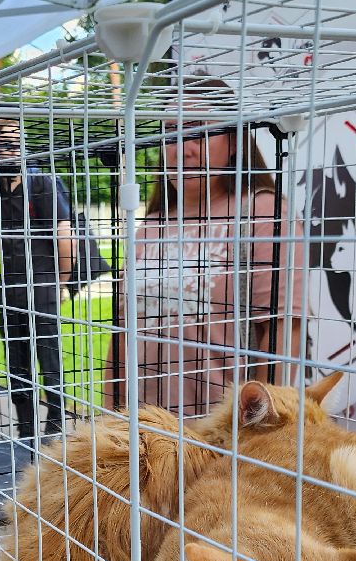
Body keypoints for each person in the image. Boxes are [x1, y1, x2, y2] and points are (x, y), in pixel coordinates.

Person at [132, 75, 308, 418]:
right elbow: (121, 339)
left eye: (200, 131)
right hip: (145, 439)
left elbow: (283, 335)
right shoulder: (149, 227)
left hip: (220, 440)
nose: (184, 147)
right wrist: (111, 418)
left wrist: (258, 434)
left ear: (233, 142)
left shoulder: (263, 214)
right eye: (171, 132)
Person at [0, 118, 75, 439]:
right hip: (9, 288)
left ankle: (56, 424)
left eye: (15, 141)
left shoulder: (43, 184)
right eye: (2, 142)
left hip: (44, 286)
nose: (9, 148)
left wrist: (61, 282)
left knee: (49, 360)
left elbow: (65, 234)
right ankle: (24, 429)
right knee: (15, 364)